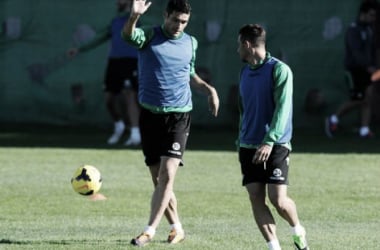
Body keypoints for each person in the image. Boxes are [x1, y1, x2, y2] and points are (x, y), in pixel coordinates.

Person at [122, 0, 219, 247]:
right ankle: (177, 228)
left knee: (167, 175)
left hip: (179, 116)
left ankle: (148, 231)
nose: (179, 26)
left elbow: (190, 74)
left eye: (184, 22)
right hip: (149, 116)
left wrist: (208, 90)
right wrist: (134, 17)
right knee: (159, 181)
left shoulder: (190, 42)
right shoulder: (149, 35)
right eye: (175, 19)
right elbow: (128, 36)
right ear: (166, 15)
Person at [236, 24, 309, 250]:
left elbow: (283, 109)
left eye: (239, 45)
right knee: (256, 198)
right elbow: (244, 109)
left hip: (275, 144)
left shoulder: (280, 70)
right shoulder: (244, 71)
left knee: (278, 200)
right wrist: (241, 137)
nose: (237, 50)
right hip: (248, 145)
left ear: (247, 44)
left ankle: (297, 231)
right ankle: (273, 247)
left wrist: (269, 140)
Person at [68, 0, 141, 146]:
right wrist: (79, 49)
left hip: (131, 61)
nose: (116, 2)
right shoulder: (115, 21)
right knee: (109, 98)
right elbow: (99, 38)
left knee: (129, 94)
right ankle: (119, 125)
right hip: (114, 62)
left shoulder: (139, 20)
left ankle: (135, 133)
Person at [325, 2, 378, 138]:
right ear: (363, 14)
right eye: (371, 15)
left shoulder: (370, 29)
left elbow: (371, 50)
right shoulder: (353, 30)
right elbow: (356, 53)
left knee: (368, 98)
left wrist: (372, 66)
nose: (373, 18)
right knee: (359, 99)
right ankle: (333, 119)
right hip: (355, 70)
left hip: (368, 71)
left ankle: (364, 130)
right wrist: (367, 66)